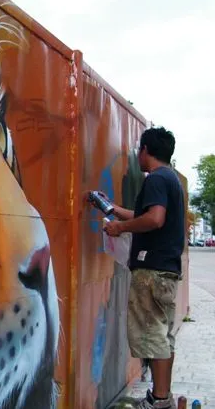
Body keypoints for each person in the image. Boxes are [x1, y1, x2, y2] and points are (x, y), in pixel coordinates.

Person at [89, 126, 185, 409]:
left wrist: (120, 228)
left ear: (145, 151)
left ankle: (159, 400)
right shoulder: (170, 180)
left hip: (151, 269)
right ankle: (162, 397)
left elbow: (154, 219)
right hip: (166, 270)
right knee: (162, 336)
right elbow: (150, 216)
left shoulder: (155, 179)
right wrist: (114, 210)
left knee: (152, 334)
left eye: (138, 151)